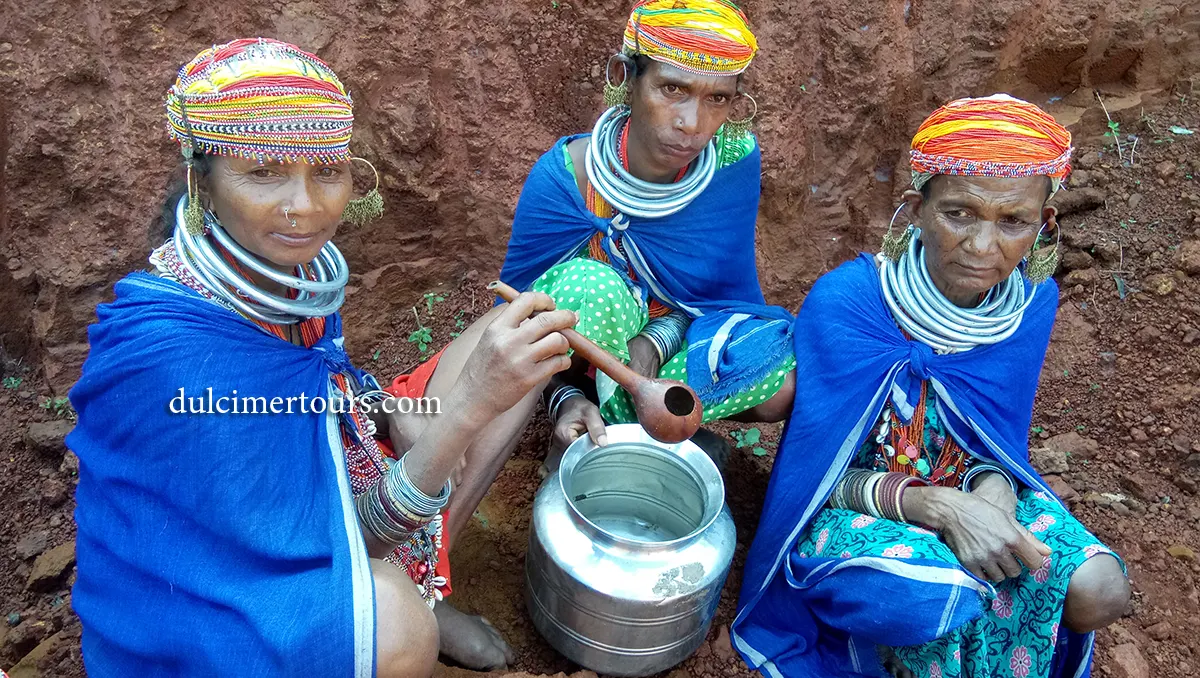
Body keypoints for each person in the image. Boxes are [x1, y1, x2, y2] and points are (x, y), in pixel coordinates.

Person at [67, 38, 574, 677]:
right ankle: (403, 605)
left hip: (299, 480)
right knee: (391, 621)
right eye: (264, 171)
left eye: (326, 170)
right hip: (205, 609)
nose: (305, 207)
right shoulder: (185, 368)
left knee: (509, 331)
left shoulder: (283, 275)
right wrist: (462, 412)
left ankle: (428, 583)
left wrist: (396, 411)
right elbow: (353, 537)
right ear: (203, 179)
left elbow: (316, 395)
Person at [732, 95, 1131, 678]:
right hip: (855, 504)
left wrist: (992, 497)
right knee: (936, 594)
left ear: (1042, 226)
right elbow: (813, 474)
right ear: (916, 209)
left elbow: (997, 440)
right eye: (959, 213)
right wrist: (936, 507)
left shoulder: (1030, 307)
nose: (981, 246)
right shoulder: (849, 303)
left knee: (1100, 590)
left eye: (1013, 222)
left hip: (970, 488)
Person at [498, 0, 796, 459]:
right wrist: (564, 394)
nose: (692, 124)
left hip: (674, 343)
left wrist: (655, 343)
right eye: (672, 88)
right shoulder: (570, 178)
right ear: (626, 78)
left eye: (717, 98)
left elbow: (716, 297)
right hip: (582, 349)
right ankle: (608, 418)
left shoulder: (732, 164)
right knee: (589, 285)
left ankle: (649, 416)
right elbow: (518, 315)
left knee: (779, 371)